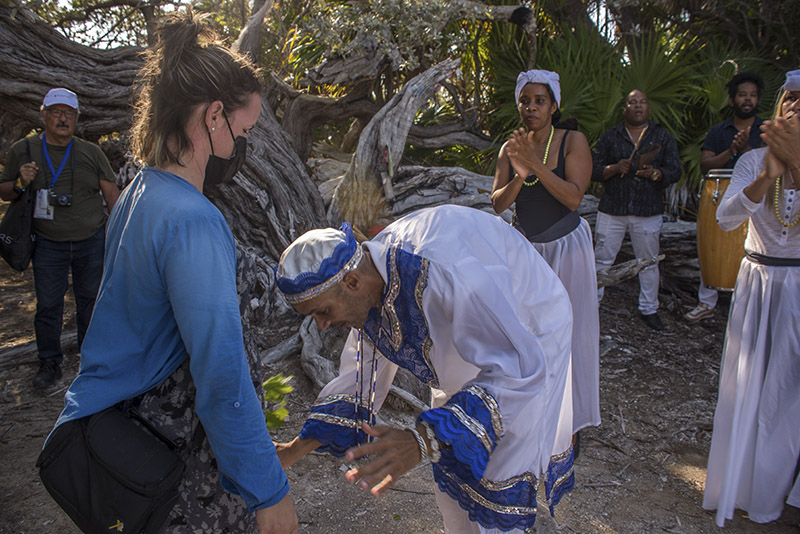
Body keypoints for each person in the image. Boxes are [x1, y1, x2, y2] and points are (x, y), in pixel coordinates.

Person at [44, 13, 297, 533]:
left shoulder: (139, 190)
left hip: (122, 431)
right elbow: (219, 372)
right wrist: (268, 491)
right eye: (242, 131)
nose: (240, 149)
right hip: (172, 460)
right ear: (213, 116)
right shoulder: (194, 220)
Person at [274, 204, 574, 533]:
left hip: (528, 335)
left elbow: (517, 368)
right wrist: (295, 449)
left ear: (352, 281)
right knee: (452, 466)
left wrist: (424, 439)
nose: (322, 325)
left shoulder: (443, 274)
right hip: (476, 350)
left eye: (323, 311)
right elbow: (360, 378)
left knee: (496, 474)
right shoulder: (371, 284)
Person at [702, 69, 800, 527]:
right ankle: (741, 485)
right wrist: (767, 176)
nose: (797, 108)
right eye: (791, 101)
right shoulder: (755, 159)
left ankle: (780, 489)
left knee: (789, 393)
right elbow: (725, 217)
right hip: (758, 282)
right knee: (748, 389)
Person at [491, 69, 600, 438]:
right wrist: (520, 174)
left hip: (566, 248)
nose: (531, 107)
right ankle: (530, 413)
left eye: (539, 101)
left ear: (554, 105)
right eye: (525, 100)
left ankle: (569, 423)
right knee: (524, 332)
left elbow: (572, 197)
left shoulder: (572, 140)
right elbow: (497, 204)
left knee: (568, 330)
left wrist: (536, 165)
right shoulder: (511, 148)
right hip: (525, 253)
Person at [0, 88, 119, 388]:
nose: (63, 118)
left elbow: (112, 196)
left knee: (90, 302)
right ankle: (49, 363)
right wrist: (19, 181)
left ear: (77, 118)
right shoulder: (23, 151)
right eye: (56, 112)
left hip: (90, 241)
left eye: (69, 113)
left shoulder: (91, 152)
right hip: (47, 243)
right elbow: (4, 192)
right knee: (49, 305)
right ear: (43, 115)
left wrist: (120, 235)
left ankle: (91, 362)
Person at [591, 89, 682, 331]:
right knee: (602, 260)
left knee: (649, 262)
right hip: (612, 209)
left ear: (648, 108)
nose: (638, 106)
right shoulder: (610, 136)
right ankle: (591, 306)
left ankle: (649, 309)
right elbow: (593, 169)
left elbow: (675, 170)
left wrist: (656, 173)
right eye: (633, 102)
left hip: (648, 211)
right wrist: (613, 168)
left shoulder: (661, 135)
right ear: (625, 109)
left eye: (642, 102)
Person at [685, 72, 765, 322]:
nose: (748, 100)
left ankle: (749, 307)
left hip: (757, 196)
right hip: (718, 193)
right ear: (732, 100)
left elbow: (767, 168)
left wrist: (747, 150)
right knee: (712, 246)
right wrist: (732, 149)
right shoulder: (719, 131)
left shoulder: (767, 130)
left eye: (752, 95)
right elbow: (705, 165)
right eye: (742, 95)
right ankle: (706, 302)